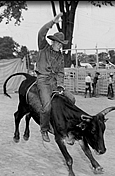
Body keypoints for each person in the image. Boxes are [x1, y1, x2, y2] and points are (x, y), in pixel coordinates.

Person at [35, 12, 75, 142]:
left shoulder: (60, 56)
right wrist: (53, 22)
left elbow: (61, 72)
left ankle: (63, 123)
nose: (60, 45)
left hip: (54, 82)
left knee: (71, 99)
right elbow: (41, 33)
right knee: (46, 107)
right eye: (58, 43)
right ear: (53, 42)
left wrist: (60, 85)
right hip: (43, 81)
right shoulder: (43, 47)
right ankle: (44, 129)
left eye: (61, 44)